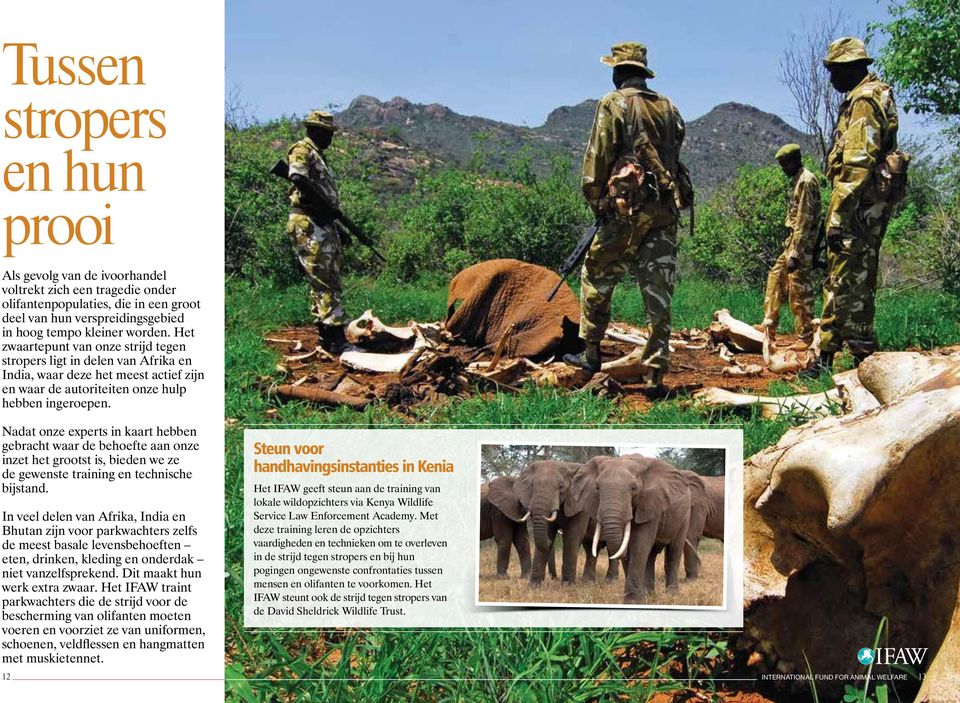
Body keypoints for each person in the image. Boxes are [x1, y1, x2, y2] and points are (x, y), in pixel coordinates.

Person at [563, 42, 686, 389]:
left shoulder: (613, 103)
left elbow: (597, 158)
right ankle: (655, 374)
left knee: (597, 273)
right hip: (664, 211)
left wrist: (598, 201)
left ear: (618, 72)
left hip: (626, 212)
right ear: (643, 73)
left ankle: (590, 354)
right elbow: (674, 152)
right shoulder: (668, 107)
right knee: (658, 291)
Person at [811, 37, 899, 374]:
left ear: (851, 68)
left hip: (857, 206)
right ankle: (840, 354)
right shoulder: (876, 94)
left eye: (834, 71)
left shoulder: (863, 100)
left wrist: (837, 215)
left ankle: (850, 358)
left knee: (846, 279)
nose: (831, 79)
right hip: (866, 206)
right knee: (850, 275)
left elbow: (856, 165)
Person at [285, 110, 351, 354]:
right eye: (326, 133)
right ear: (314, 131)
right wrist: (324, 205)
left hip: (322, 222)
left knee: (327, 277)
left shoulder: (319, 156)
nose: (329, 139)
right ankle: (334, 337)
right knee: (324, 279)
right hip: (309, 221)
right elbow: (298, 178)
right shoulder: (302, 150)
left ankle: (328, 335)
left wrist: (336, 226)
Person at [762, 144, 820, 348]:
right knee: (775, 278)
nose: (783, 168)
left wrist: (796, 252)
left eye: (785, 163)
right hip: (792, 243)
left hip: (800, 245)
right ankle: (769, 327)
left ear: (795, 160)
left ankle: (805, 337)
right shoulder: (797, 181)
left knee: (799, 290)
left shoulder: (806, 181)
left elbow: (805, 218)